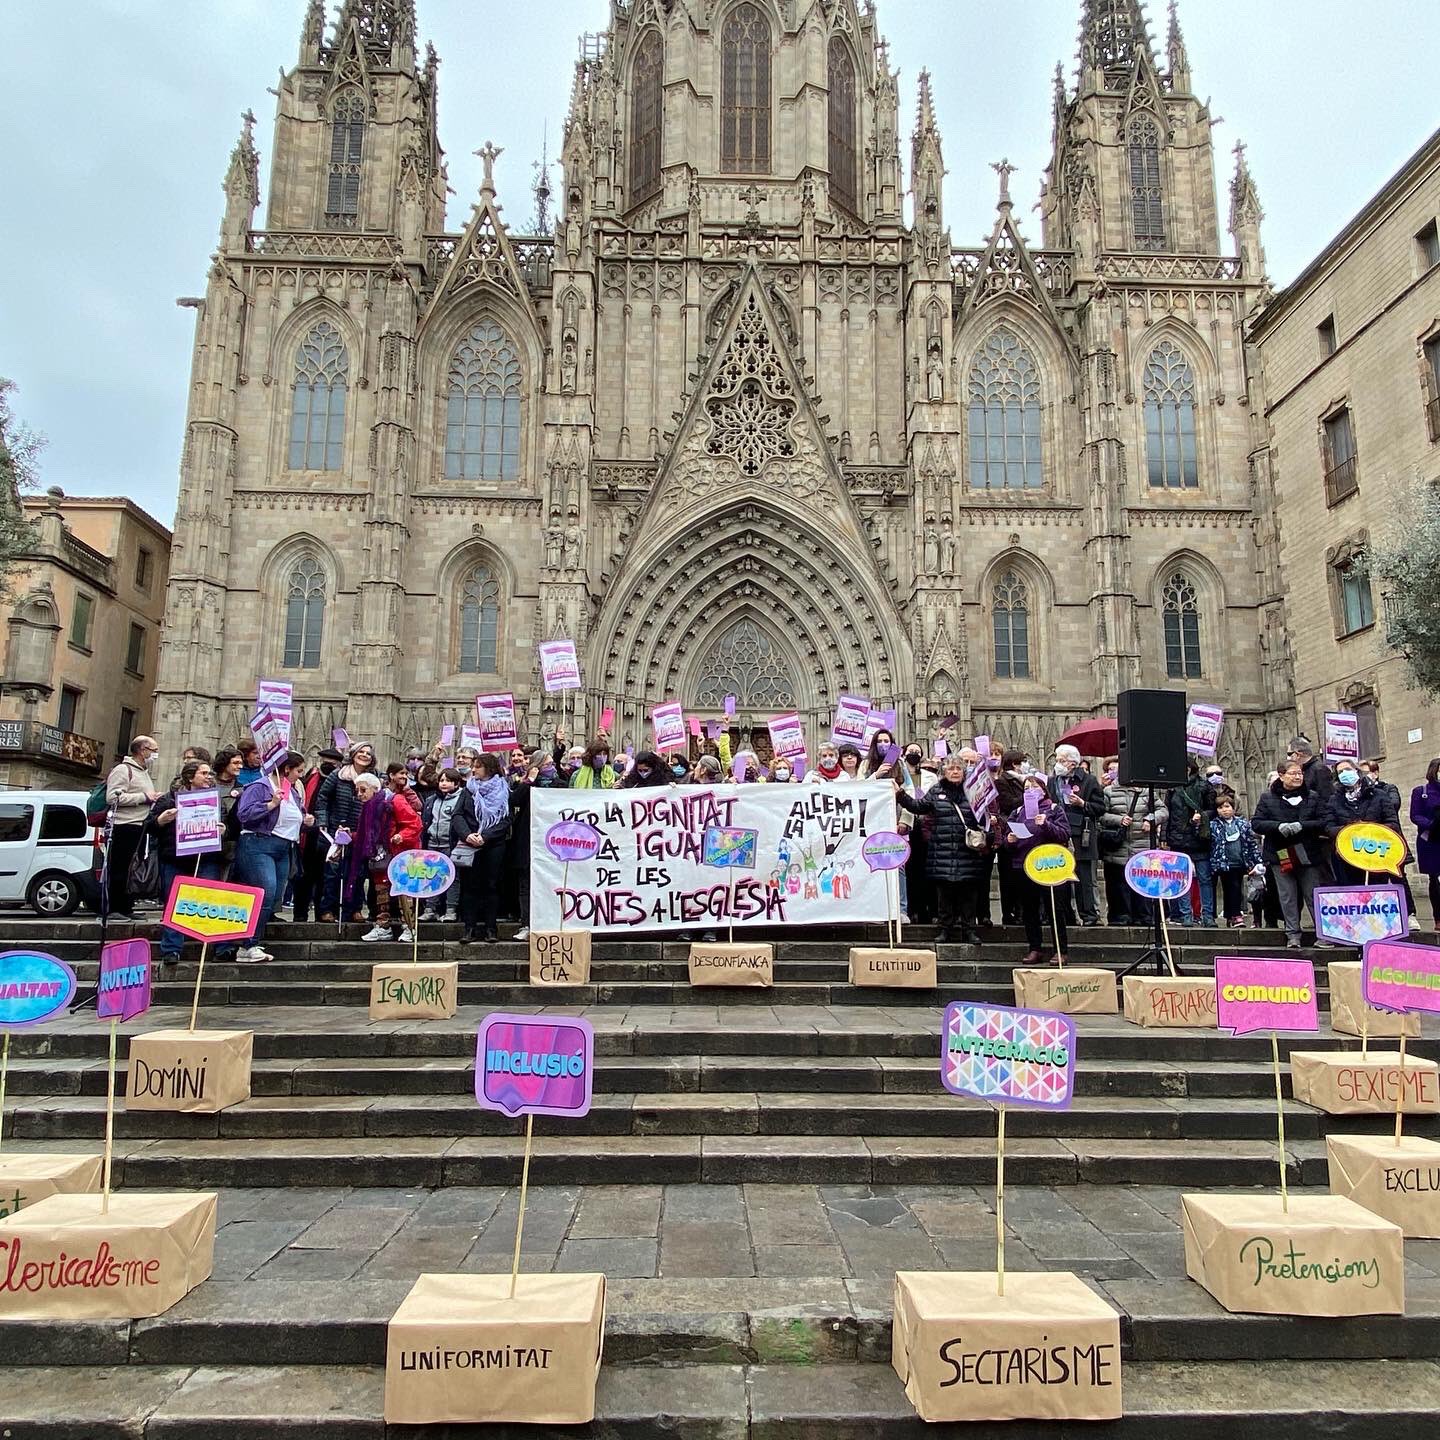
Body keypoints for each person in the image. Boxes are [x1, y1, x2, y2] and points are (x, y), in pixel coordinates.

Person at [893, 753, 990, 944]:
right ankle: (945, 929)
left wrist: (988, 823)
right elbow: (918, 806)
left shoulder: (973, 791)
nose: (955, 772)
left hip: (967, 852)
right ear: (943, 771)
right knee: (944, 896)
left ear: (964, 771)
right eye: (951, 769)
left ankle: (970, 930)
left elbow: (983, 819)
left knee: (968, 896)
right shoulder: (936, 791)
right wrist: (900, 794)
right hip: (942, 852)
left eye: (958, 769)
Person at [230, 750, 311, 963]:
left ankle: (252, 940)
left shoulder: (292, 792)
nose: (300, 776)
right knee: (264, 893)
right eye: (299, 771)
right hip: (258, 844)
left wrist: (305, 821)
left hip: (284, 848)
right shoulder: (260, 787)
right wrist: (270, 804)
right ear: (286, 769)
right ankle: (247, 944)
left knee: (275, 897)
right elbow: (244, 815)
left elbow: (292, 819)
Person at [145, 759, 223, 967]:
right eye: (204, 773)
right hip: (175, 859)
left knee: (208, 900)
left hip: (205, 858)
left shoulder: (214, 800)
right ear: (190, 777)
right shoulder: (169, 800)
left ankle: (213, 946)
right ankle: (171, 949)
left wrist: (223, 830)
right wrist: (161, 820)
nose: (209, 777)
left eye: (209, 774)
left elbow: (228, 824)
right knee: (175, 902)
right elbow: (149, 826)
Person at [1251, 759, 1329, 948]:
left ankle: (1324, 934)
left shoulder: (1312, 796)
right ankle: (1293, 934)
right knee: (1288, 896)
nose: (1297, 776)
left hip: (1307, 853)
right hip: (1281, 853)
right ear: (1281, 775)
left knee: (1313, 893)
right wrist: (1278, 827)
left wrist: (1302, 826)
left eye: (1300, 773)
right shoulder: (1267, 798)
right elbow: (1257, 823)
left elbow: (1323, 821)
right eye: (1293, 773)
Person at [1001, 773, 1073, 965]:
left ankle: (1061, 950)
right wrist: (1009, 840)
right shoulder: (1018, 811)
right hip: (1023, 865)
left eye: (1034, 788)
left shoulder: (1054, 809)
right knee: (1029, 910)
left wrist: (1046, 824)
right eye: (1026, 789)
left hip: (1049, 866)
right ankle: (1035, 948)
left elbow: (1064, 834)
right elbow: (1006, 839)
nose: (1029, 792)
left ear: (1043, 790)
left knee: (1054, 909)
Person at [313, 742, 377, 921]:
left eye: (368, 753)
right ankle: (328, 909)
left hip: (359, 831)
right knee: (332, 872)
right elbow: (323, 798)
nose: (364, 755)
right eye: (361, 752)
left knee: (356, 872)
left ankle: (354, 908)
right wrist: (323, 821)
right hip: (336, 830)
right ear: (353, 754)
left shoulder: (373, 777)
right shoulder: (338, 775)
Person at [454, 752, 511, 943]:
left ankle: (490, 928)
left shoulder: (504, 789)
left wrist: (485, 836)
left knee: (491, 885)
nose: (473, 769)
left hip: (493, 844)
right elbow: (458, 815)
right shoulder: (468, 789)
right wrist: (468, 834)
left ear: (488, 768)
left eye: (477, 766)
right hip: (470, 844)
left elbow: (506, 819)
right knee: (470, 885)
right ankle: (469, 928)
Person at [1097, 769, 1166, 927]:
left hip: (1141, 846)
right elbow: (1100, 815)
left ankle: (1143, 916)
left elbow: (1163, 810)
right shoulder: (1109, 792)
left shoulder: (1146, 791)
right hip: (1117, 847)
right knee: (1117, 886)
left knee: (1142, 884)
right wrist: (1118, 819)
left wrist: (1150, 819)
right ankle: (1120, 917)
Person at [104, 735, 162, 918]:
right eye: (154, 750)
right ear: (142, 750)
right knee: (120, 867)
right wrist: (144, 798)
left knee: (132, 868)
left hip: (139, 825)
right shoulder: (123, 770)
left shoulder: (142, 771)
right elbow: (112, 798)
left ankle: (126, 907)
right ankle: (115, 908)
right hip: (124, 825)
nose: (155, 755)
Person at [1050, 744, 1105, 927]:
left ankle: (1089, 915)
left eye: (1062, 760)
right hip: (1058, 832)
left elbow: (1100, 808)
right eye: (1057, 760)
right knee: (1061, 878)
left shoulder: (1088, 781)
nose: (1058, 764)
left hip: (1082, 834)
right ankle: (1066, 916)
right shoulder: (1053, 781)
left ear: (1073, 763)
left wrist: (1083, 804)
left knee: (1084, 878)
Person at [1325, 759, 1400, 885]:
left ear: (1357, 771)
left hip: (1376, 855)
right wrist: (1351, 829)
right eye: (1340, 772)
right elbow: (1329, 828)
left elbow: (1393, 823)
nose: (1344, 773)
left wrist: (1368, 829)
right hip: (1346, 858)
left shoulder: (1378, 795)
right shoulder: (1334, 800)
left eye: (1347, 770)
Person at [1164, 759, 1218, 926]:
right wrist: (1164, 838)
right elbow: (1168, 813)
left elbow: (1213, 810)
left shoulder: (1204, 786)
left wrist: (1202, 816)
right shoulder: (1172, 787)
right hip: (1178, 838)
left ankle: (1207, 916)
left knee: (1204, 879)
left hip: (1199, 837)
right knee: (1181, 878)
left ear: (1190, 768)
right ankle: (1186, 915)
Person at [292, 747, 342, 922]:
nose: (327, 766)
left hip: (329, 834)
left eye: (332, 763)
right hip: (308, 835)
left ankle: (324, 912)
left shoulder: (339, 782)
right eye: (325, 762)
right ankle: (299, 914)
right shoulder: (309, 779)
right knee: (304, 877)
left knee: (325, 876)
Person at [376, 762, 422, 942]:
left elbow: (415, 824)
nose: (359, 794)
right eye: (400, 773)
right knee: (382, 889)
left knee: (405, 888)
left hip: (402, 851)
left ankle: (409, 927)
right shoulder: (377, 799)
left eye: (405, 774)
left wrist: (401, 836)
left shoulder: (398, 798)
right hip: (381, 850)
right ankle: (383, 926)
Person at [1209, 793, 1263, 928]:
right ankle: (1232, 915)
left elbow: (1251, 843)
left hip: (1239, 861)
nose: (1225, 810)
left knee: (1235, 889)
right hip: (1222, 863)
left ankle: (1232, 915)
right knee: (1230, 888)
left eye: (1227, 807)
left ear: (1233, 808)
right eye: (1221, 807)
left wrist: (1257, 861)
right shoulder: (1213, 825)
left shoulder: (1242, 823)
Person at [420, 767, 466, 923]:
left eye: (448, 780)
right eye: (442, 780)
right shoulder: (431, 800)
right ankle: (430, 908)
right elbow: (427, 821)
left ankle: (451, 909)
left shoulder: (462, 798)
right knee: (432, 876)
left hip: (451, 844)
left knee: (452, 877)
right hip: (433, 843)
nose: (444, 783)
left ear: (457, 783)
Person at [896, 742, 935, 924]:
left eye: (917, 752)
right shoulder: (899, 775)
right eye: (911, 751)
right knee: (907, 868)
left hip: (925, 826)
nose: (914, 754)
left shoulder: (929, 777)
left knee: (924, 868)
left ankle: (925, 910)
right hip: (905, 825)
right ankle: (910, 909)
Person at [994, 749, 1029, 926]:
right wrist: (1028, 797)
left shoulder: (1026, 781)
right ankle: (1009, 913)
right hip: (1010, 832)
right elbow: (1007, 804)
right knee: (1008, 876)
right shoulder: (1002, 782)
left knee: (1022, 875)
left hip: (1026, 834)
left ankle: (1022, 912)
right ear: (1015, 764)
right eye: (1023, 762)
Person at [1411, 758, 1440, 926]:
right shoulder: (1421, 791)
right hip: (1430, 841)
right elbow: (1415, 815)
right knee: (1435, 879)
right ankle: (1438, 917)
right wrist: (1432, 825)